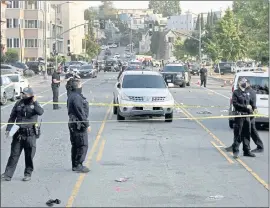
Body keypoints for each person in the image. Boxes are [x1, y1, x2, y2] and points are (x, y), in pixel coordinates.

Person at [1, 87, 44, 181]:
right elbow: (12, 117)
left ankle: (27, 174)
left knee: (29, 155)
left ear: (31, 95)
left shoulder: (35, 104)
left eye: (25, 94)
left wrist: (35, 102)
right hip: (18, 133)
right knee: (14, 154)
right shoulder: (19, 103)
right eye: (22, 93)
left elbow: (40, 112)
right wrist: (8, 129)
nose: (23, 95)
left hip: (30, 134)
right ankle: (8, 174)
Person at [225, 80, 264, 153]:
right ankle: (236, 146)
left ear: (248, 84)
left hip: (249, 115)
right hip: (245, 114)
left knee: (248, 131)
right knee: (243, 131)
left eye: (245, 83)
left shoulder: (250, 92)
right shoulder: (244, 91)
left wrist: (254, 109)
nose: (243, 84)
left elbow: (253, 103)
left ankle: (259, 146)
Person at [67, 79, 91, 173]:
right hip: (78, 124)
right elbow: (80, 112)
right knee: (82, 145)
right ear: (77, 86)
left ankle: (75, 164)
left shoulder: (72, 95)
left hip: (74, 123)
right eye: (80, 85)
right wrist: (86, 124)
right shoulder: (76, 97)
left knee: (76, 145)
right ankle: (78, 165)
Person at [230, 78, 255, 158]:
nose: (245, 83)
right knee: (238, 134)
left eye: (246, 82)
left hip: (247, 116)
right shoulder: (236, 92)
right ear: (239, 83)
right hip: (239, 116)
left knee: (247, 134)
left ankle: (247, 151)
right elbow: (235, 104)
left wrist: (254, 108)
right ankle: (235, 151)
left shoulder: (247, 92)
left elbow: (251, 102)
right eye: (243, 82)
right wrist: (245, 107)